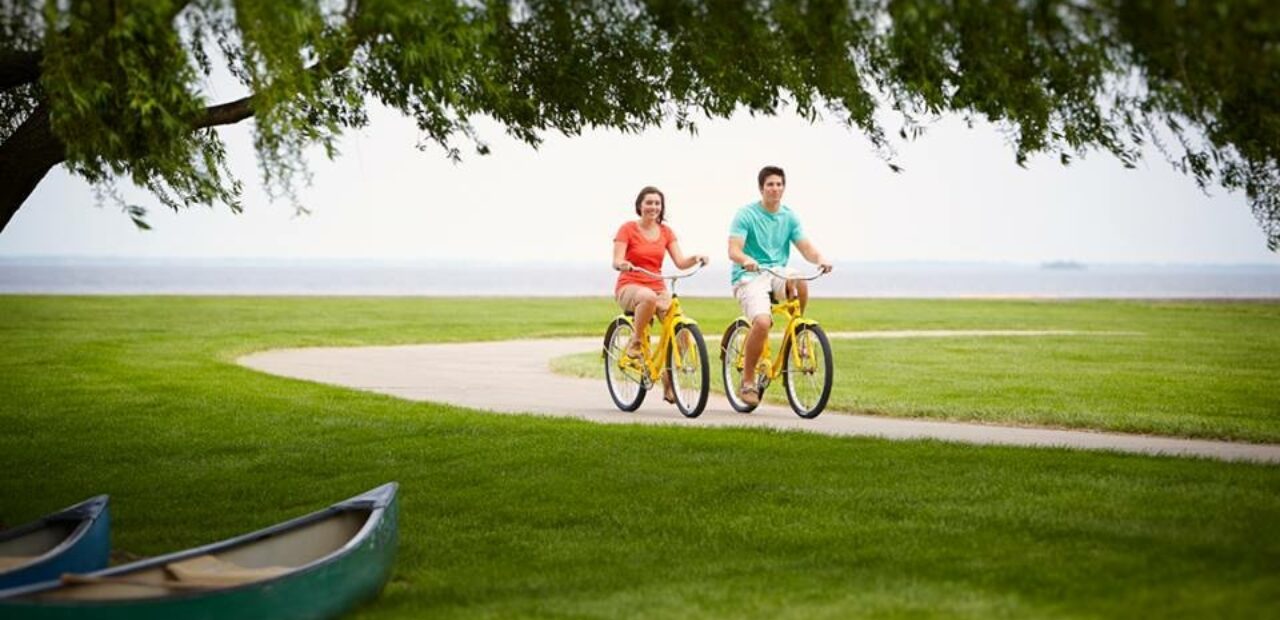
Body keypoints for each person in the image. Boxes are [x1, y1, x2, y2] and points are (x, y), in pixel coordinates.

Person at [727, 166, 832, 407]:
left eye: (779, 184)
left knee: (801, 280)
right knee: (763, 323)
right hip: (749, 275)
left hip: (776, 272)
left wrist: (820, 260)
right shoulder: (746, 215)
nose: (775, 188)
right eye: (770, 184)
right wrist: (746, 259)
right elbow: (733, 249)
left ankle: (800, 334)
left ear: (784, 188)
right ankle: (748, 380)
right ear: (761, 188)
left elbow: (806, 247)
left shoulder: (789, 216)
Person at [612, 186, 709, 402]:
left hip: (657, 285)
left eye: (657, 203)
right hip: (630, 285)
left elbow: (681, 262)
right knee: (648, 298)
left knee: (682, 332)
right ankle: (635, 342)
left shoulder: (666, 232)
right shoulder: (627, 229)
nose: (653, 207)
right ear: (640, 205)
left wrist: (696, 258)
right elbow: (616, 260)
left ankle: (668, 378)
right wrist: (623, 264)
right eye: (649, 203)